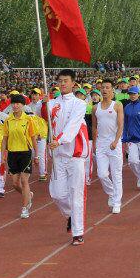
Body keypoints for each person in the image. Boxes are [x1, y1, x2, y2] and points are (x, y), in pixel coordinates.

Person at [48, 69, 90, 245]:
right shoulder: (52, 104)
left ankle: (78, 233)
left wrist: (59, 140)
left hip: (75, 155)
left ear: (73, 83)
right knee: (57, 194)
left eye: (66, 81)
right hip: (58, 156)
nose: (62, 83)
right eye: (60, 81)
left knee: (76, 194)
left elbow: (73, 126)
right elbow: (45, 122)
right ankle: (71, 215)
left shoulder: (79, 104)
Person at [2, 94, 36, 218]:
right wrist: (3, 154)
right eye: (13, 103)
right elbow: (4, 139)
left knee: (24, 181)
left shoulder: (28, 119)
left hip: (25, 152)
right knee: (15, 184)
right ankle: (28, 195)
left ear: (23, 105)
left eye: (18, 103)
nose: (15, 106)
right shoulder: (8, 120)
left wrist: (37, 155)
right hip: (12, 153)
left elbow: (33, 138)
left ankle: (25, 207)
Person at [92, 79, 124, 214]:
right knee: (102, 174)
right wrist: (94, 143)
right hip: (101, 144)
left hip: (114, 143)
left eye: (107, 87)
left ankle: (117, 202)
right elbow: (94, 127)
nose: (105, 90)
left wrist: (116, 141)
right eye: (103, 87)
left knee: (116, 174)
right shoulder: (95, 107)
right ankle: (111, 193)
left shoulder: (117, 105)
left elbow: (121, 125)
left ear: (112, 90)